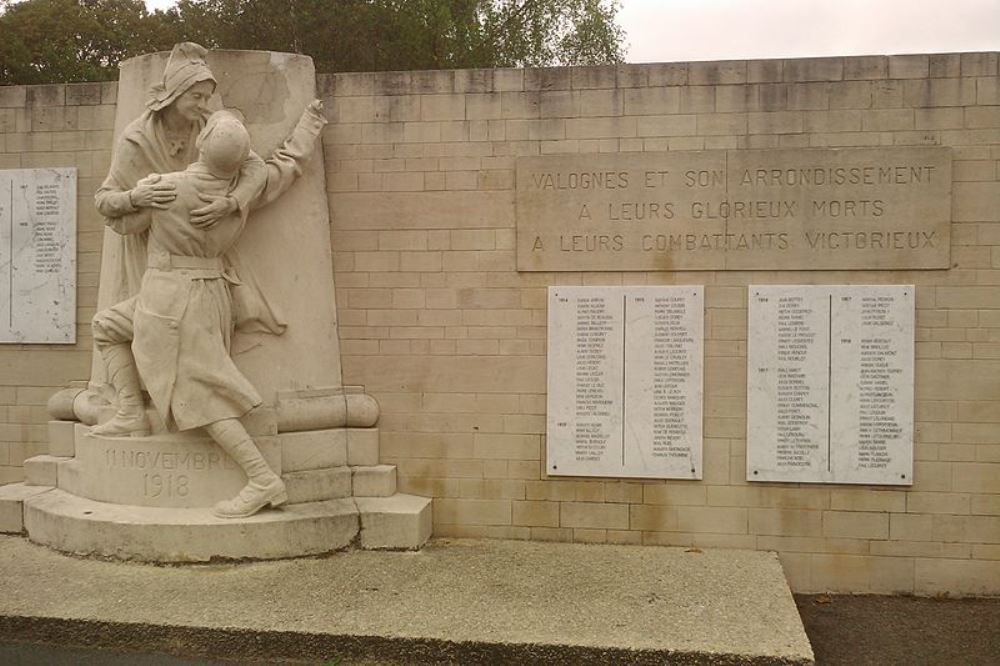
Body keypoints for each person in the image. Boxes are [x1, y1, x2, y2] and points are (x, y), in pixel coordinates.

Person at [92, 104, 327, 518]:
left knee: (202, 396)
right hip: (210, 294)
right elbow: (282, 166)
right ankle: (130, 412)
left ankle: (262, 479)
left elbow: (115, 218)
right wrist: (308, 124)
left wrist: (134, 195)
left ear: (201, 143)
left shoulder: (166, 188)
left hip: (170, 302)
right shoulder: (241, 194)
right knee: (108, 325)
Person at [94, 42, 267, 435]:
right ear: (174, 94)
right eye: (196, 95)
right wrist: (136, 196)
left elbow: (253, 165)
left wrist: (233, 202)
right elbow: (105, 201)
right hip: (149, 248)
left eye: (206, 96)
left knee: (189, 358)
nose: (203, 103)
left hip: (194, 254)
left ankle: (147, 413)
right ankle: (131, 411)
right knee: (137, 335)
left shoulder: (208, 126)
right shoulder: (136, 139)